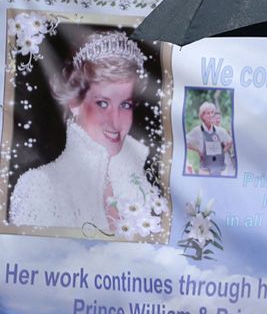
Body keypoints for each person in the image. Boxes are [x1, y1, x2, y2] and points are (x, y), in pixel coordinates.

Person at [9, 31, 165, 239]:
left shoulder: (140, 184)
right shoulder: (38, 186)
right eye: (102, 103)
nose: (115, 120)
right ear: (75, 103)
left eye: (125, 105)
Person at [185, 102, 233, 176]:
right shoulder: (197, 130)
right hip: (205, 170)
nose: (211, 115)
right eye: (208, 113)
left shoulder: (220, 130)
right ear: (202, 116)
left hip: (221, 169)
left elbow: (230, 141)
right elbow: (184, 141)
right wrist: (198, 151)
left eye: (212, 112)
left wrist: (223, 152)